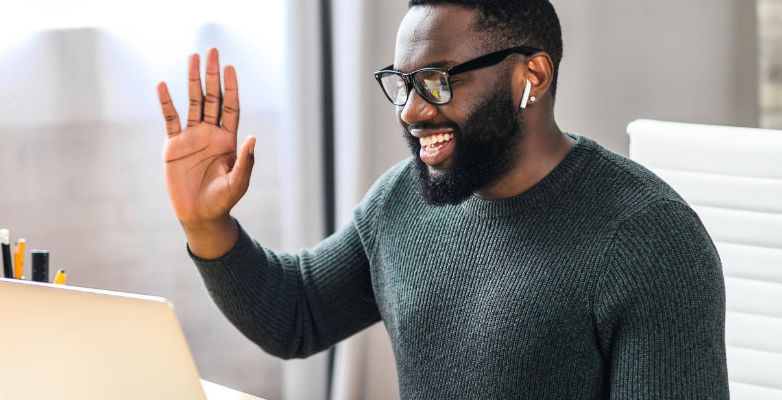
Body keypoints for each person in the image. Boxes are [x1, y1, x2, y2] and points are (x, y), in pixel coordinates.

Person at [155, 0, 729, 398]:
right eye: (403, 83)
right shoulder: (404, 200)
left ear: (531, 75)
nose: (410, 110)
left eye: (437, 80)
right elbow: (297, 315)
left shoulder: (649, 240)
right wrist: (206, 224)